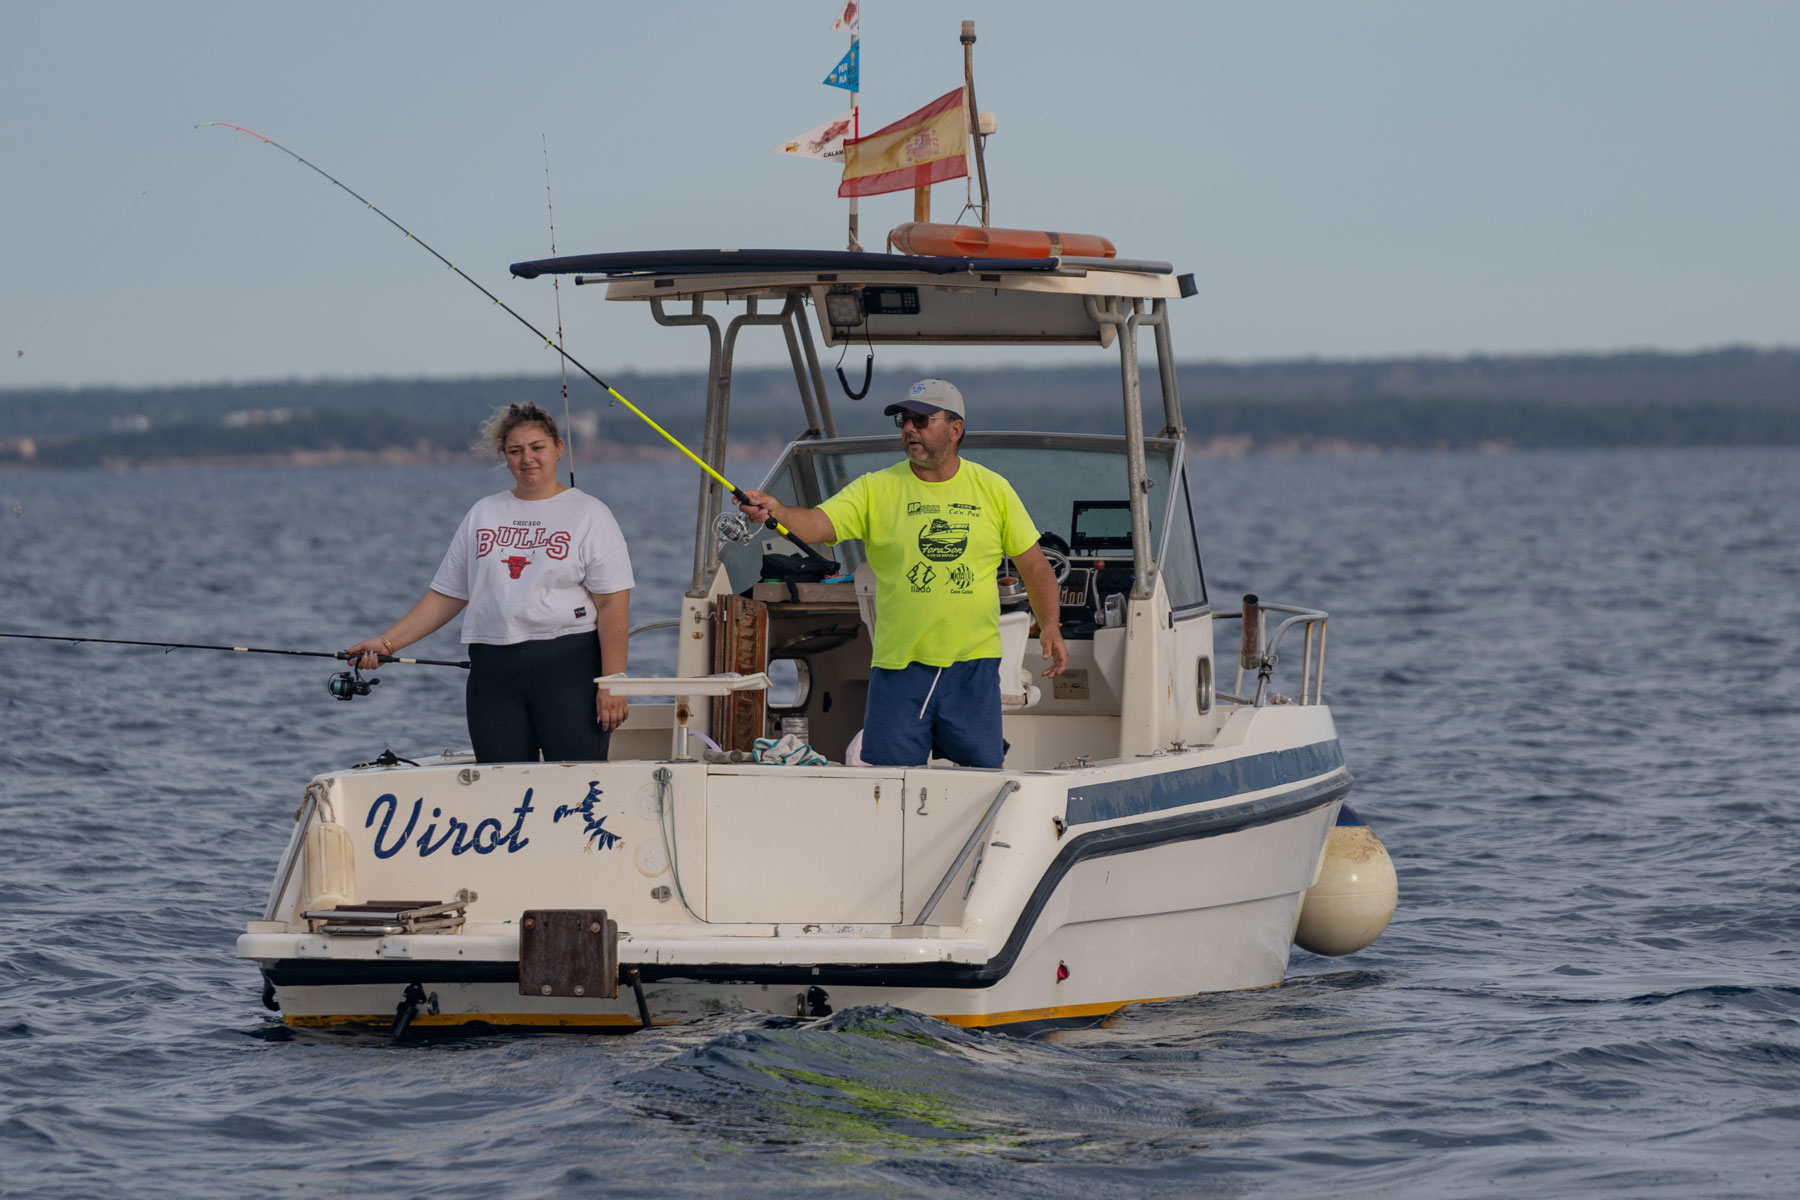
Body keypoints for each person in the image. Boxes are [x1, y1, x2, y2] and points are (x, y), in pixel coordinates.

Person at [737, 378, 1066, 769]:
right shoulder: (876, 489)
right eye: (905, 421)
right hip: (899, 668)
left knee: (982, 776)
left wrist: (1050, 625)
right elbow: (816, 523)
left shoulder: (993, 490)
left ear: (955, 429)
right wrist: (777, 510)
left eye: (922, 420)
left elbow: (1033, 564)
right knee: (892, 780)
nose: (910, 428)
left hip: (973, 668)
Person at [345, 402, 633, 764]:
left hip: (568, 666)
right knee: (499, 784)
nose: (527, 458)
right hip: (492, 671)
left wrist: (612, 682)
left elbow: (612, 604)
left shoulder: (590, 513)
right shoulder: (484, 512)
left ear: (558, 448)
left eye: (537, 447)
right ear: (505, 457)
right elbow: (447, 594)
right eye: (516, 451)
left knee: (575, 785)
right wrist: (387, 642)